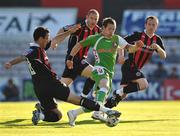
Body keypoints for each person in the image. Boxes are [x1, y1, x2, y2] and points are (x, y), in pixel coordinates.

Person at [4, 26, 121, 126]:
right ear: (40, 39)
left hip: (39, 89)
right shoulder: (35, 51)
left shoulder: (39, 49)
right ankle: (107, 110)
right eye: (47, 38)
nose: (48, 40)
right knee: (78, 100)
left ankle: (41, 115)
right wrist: (11, 63)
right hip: (52, 84)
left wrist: (69, 33)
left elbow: (55, 39)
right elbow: (23, 56)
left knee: (57, 115)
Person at [66, 17, 144, 126]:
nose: (112, 31)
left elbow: (129, 48)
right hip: (99, 69)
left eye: (113, 29)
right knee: (105, 86)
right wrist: (70, 58)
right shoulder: (95, 38)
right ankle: (99, 112)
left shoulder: (117, 39)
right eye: (109, 29)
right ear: (103, 28)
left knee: (98, 102)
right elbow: (79, 45)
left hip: (109, 73)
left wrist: (136, 46)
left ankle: (73, 113)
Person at [104, 16, 167, 109]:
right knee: (144, 84)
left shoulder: (157, 40)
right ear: (145, 25)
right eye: (149, 24)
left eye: (154, 25)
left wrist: (158, 48)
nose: (151, 26)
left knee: (122, 95)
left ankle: (102, 110)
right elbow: (120, 42)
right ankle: (118, 93)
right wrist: (121, 55)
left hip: (133, 68)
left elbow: (163, 56)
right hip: (130, 65)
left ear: (156, 26)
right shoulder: (138, 35)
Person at [52, 9, 101, 97]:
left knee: (61, 88)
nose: (93, 21)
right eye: (91, 18)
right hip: (72, 59)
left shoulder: (97, 30)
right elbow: (63, 29)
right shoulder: (79, 27)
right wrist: (56, 41)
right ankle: (86, 97)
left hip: (80, 60)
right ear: (87, 17)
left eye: (95, 19)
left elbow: (107, 37)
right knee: (97, 74)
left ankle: (44, 102)